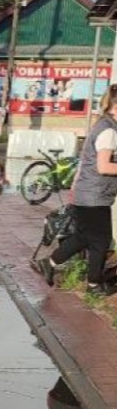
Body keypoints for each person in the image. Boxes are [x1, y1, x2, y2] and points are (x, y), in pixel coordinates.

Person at [36, 83, 117, 296]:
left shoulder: (103, 125)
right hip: (94, 196)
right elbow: (103, 166)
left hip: (87, 193)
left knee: (84, 237)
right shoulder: (109, 131)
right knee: (101, 241)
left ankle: (50, 262)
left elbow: (84, 162)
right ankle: (93, 286)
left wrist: (75, 188)